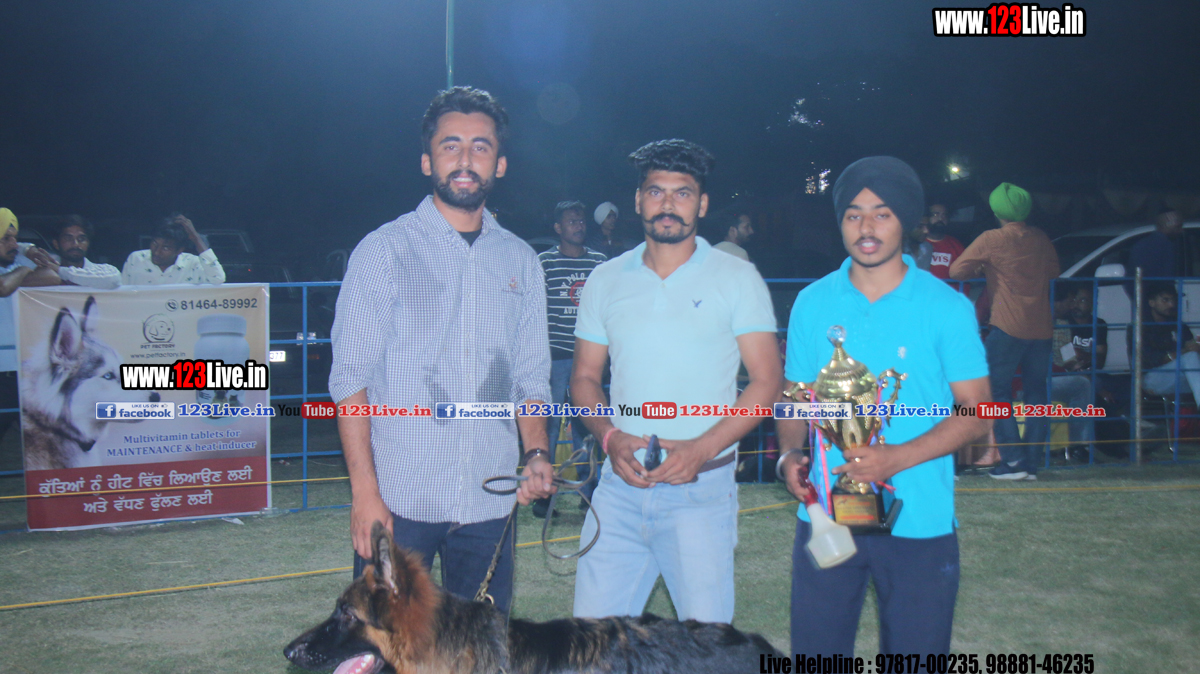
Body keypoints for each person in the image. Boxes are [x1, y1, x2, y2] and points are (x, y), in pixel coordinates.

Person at [329, 87, 553, 614]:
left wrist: (537, 453)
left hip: (490, 498)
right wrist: (365, 493)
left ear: (500, 164)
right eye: (451, 146)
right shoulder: (384, 251)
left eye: (480, 147)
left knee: (480, 649)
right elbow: (351, 379)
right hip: (401, 499)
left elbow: (530, 376)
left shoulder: (521, 261)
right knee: (386, 645)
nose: (465, 159)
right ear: (427, 161)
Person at [776, 156, 991, 658]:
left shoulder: (946, 307)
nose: (866, 228)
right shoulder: (813, 301)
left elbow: (978, 410)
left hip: (919, 520)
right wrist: (789, 455)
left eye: (882, 214)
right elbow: (793, 398)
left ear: (907, 221)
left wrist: (896, 458)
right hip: (826, 516)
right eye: (853, 214)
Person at [570, 139, 782, 623]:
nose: (668, 204)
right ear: (638, 200)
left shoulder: (737, 277)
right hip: (619, 489)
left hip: (701, 491)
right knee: (591, 644)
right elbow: (583, 377)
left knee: (705, 647)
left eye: (682, 193)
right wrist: (610, 437)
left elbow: (767, 381)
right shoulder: (606, 279)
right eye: (656, 191)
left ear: (702, 204)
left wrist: (701, 449)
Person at [950, 182, 1059, 481]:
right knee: (1037, 394)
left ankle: (1013, 461)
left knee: (994, 391)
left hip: (1008, 326)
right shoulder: (1039, 237)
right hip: (1042, 327)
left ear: (998, 211)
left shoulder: (992, 239)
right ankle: (1031, 464)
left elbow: (957, 270)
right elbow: (1054, 270)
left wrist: (985, 267)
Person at [535, 200, 607, 516]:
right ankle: (542, 494)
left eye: (581, 221)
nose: (578, 226)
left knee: (587, 427)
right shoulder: (544, 263)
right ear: (558, 228)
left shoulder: (599, 263)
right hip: (554, 359)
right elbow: (534, 309)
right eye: (571, 221)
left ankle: (589, 493)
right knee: (548, 426)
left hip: (590, 360)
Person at [0, 209, 61, 443]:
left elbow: (53, 275)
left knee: (43, 441)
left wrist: (26, 254)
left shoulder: (16, 261)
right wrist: (25, 270)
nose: (14, 245)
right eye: (6, 239)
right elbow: (3, 287)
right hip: (1, 372)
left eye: (15, 239)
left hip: (24, 372)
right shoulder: (20, 266)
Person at [1051, 282, 1107, 457]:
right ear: (1058, 302)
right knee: (1083, 386)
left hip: (1057, 374)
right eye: (1071, 301)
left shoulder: (1062, 323)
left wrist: (1077, 368)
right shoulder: (1040, 321)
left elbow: (1067, 359)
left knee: (1087, 386)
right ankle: (1081, 445)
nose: (1073, 306)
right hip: (1032, 379)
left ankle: (1117, 438)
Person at [1137, 282, 1200, 401]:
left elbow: (1191, 348)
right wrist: (1185, 351)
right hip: (1151, 379)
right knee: (1190, 357)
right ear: (1152, 303)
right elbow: (1152, 359)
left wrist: (1197, 348)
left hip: (1178, 378)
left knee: (1193, 358)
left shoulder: (1178, 325)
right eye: (1165, 300)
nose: (1171, 304)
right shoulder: (1140, 327)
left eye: (1173, 300)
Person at [121, 215, 226, 285]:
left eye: (165, 248)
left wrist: (195, 237)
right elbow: (122, 293)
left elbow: (218, 279)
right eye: (155, 244)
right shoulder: (136, 259)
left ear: (179, 250)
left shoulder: (192, 263)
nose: (157, 252)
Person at [39, 216, 121, 289]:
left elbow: (113, 281)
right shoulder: (45, 272)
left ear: (88, 243)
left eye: (81, 239)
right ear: (56, 244)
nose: (76, 244)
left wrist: (60, 271)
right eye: (68, 239)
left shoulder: (104, 271)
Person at [1129, 208, 1184, 283]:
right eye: (1178, 226)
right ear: (1167, 224)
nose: (1181, 230)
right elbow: (1167, 277)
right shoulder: (1164, 246)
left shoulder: (1141, 245)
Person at [925, 203, 966, 284]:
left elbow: (966, 274)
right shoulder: (917, 243)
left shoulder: (955, 244)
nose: (941, 218)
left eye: (944, 215)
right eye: (935, 214)